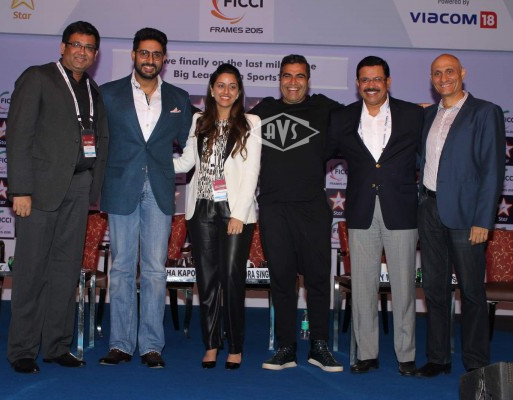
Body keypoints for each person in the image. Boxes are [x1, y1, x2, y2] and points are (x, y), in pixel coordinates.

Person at [6, 21, 108, 374]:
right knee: (31, 270)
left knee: (66, 271)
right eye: (76, 45)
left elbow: (98, 138)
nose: (82, 52)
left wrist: (93, 187)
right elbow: (18, 135)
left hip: (78, 188)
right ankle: (22, 350)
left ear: (96, 54)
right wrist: (20, 189)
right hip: (39, 190)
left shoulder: (93, 89)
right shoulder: (38, 77)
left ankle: (57, 345)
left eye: (89, 47)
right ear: (63, 47)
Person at [98, 28, 191, 368]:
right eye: (144, 53)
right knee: (122, 267)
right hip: (120, 187)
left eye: (156, 54)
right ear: (133, 55)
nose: (149, 59)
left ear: (164, 59)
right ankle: (121, 344)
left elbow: (191, 145)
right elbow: (98, 141)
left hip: (161, 191)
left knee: (154, 270)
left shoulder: (179, 97)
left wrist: (170, 167)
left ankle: (152, 345)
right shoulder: (108, 94)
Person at [326, 56, 423, 375]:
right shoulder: (342, 117)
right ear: (357, 84)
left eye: (377, 79)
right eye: (365, 80)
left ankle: (406, 355)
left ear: (388, 82)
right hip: (361, 210)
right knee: (363, 287)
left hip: (402, 210)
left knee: (404, 287)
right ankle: (367, 353)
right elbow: (319, 154)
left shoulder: (413, 114)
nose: (371, 85)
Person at [249, 54, 343, 372]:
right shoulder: (263, 111)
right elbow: (229, 125)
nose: (293, 82)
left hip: (313, 208)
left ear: (308, 80)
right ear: (279, 80)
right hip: (274, 208)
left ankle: (319, 346)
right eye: (287, 76)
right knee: (282, 280)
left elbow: (365, 116)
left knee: (317, 279)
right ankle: (286, 347)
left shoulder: (325, 108)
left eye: (299, 76)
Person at [416, 54, 505, 377]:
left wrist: (483, 219)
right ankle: (438, 358)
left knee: (471, 292)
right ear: (431, 79)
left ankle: (476, 362)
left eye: (449, 71)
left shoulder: (485, 112)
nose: (443, 78)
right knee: (435, 289)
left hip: (468, 216)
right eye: (437, 73)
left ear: (462, 73)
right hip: (429, 209)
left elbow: (493, 169)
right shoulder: (428, 115)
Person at [174, 63, 261, 370]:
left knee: (232, 279)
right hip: (201, 210)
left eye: (232, 86)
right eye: (221, 85)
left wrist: (239, 214)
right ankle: (211, 343)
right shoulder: (199, 121)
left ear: (239, 92)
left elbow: (251, 172)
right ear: (211, 89)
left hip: (234, 212)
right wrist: (151, 160)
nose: (226, 91)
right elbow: (186, 163)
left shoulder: (251, 122)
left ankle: (235, 346)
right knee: (207, 280)